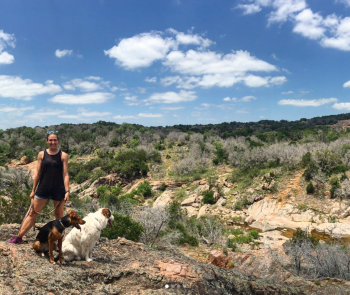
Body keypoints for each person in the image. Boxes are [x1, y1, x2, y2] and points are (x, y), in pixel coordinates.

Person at [8, 131, 70, 244]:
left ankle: (58, 243)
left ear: (58, 141)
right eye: (50, 140)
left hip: (58, 189)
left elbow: (65, 174)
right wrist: (33, 190)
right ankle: (18, 237)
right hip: (43, 188)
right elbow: (38, 173)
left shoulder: (63, 155)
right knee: (33, 213)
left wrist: (67, 191)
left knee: (59, 216)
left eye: (55, 140)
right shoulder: (42, 154)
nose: (53, 142)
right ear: (47, 141)